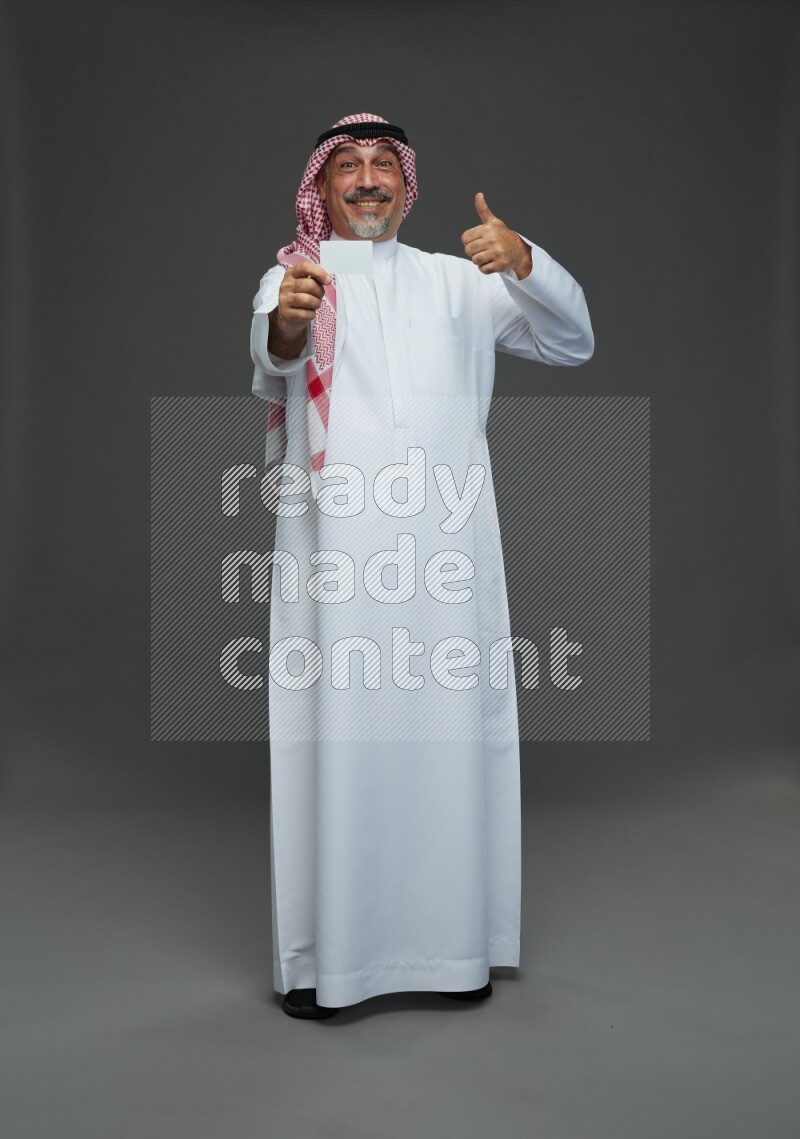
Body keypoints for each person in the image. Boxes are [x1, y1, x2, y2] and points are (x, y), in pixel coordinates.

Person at [250, 113, 594, 1020]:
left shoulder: (458, 285)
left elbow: (571, 342)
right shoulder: (297, 277)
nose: (366, 181)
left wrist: (525, 260)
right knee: (342, 741)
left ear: (407, 186)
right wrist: (289, 323)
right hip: (339, 562)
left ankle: (452, 954)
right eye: (347, 168)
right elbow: (277, 352)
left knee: (447, 743)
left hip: (445, 555)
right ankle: (336, 962)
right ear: (320, 190)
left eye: (382, 167)